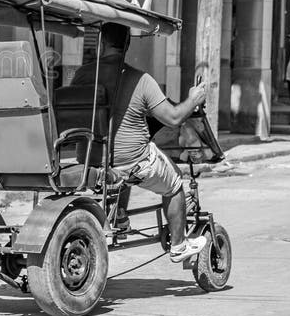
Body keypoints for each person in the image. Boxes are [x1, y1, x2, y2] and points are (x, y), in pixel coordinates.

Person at [70, 22, 208, 264]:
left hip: (89, 158)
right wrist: (193, 98)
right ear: (127, 45)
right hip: (129, 163)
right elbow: (174, 118)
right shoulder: (140, 79)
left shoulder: (81, 74)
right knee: (174, 182)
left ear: (101, 43)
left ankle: (120, 216)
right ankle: (178, 245)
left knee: (129, 163)